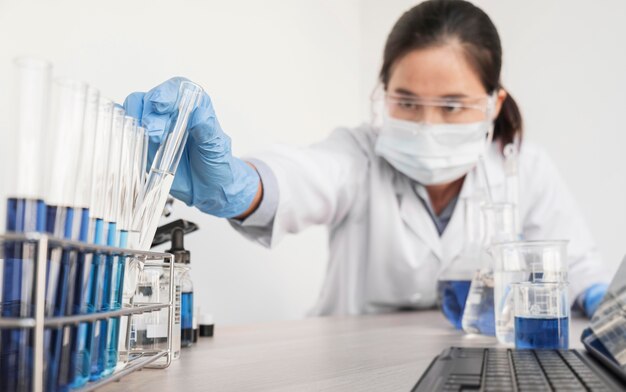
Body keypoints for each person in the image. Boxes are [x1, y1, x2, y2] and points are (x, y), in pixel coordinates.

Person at [124, 0, 608, 324]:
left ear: (494, 104)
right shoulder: (358, 155)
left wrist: (595, 298)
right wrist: (236, 184)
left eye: (453, 105)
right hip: (352, 368)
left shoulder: (523, 168)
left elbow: (579, 266)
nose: (428, 124)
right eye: (408, 102)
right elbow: (301, 177)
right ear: (383, 95)